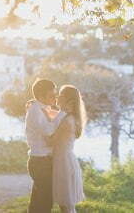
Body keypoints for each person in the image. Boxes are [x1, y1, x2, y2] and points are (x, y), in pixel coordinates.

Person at [25, 78, 64, 213]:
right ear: (41, 97)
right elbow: (49, 131)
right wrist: (64, 112)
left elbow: (57, 118)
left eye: (55, 94)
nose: (55, 98)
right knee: (44, 201)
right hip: (40, 162)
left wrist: (62, 111)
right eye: (51, 95)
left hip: (43, 161)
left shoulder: (42, 107)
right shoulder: (36, 110)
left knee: (39, 201)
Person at [48, 84, 86, 213]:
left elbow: (51, 140)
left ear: (67, 99)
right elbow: (57, 115)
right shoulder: (71, 117)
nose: (57, 97)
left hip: (63, 164)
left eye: (60, 95)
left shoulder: (67, 120)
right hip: (66, 160)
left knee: (65, 205)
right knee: (67, 205)